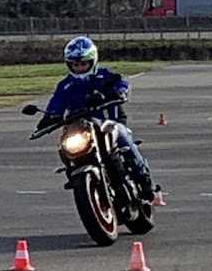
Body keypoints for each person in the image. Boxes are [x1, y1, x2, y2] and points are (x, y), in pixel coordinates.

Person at [35, 36, 156, 201]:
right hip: (80, 127)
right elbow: (56, 103)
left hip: (108, 123)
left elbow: (121, 83)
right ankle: (75, 175)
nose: (79, 68)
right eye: (75, 65)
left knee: (123, 137)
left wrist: (117, 92)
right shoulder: (65, 85)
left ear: (92, 61)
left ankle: (143, 178)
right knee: (64, 144)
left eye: (83, 64)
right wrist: (48, 118)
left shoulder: (104, 76)